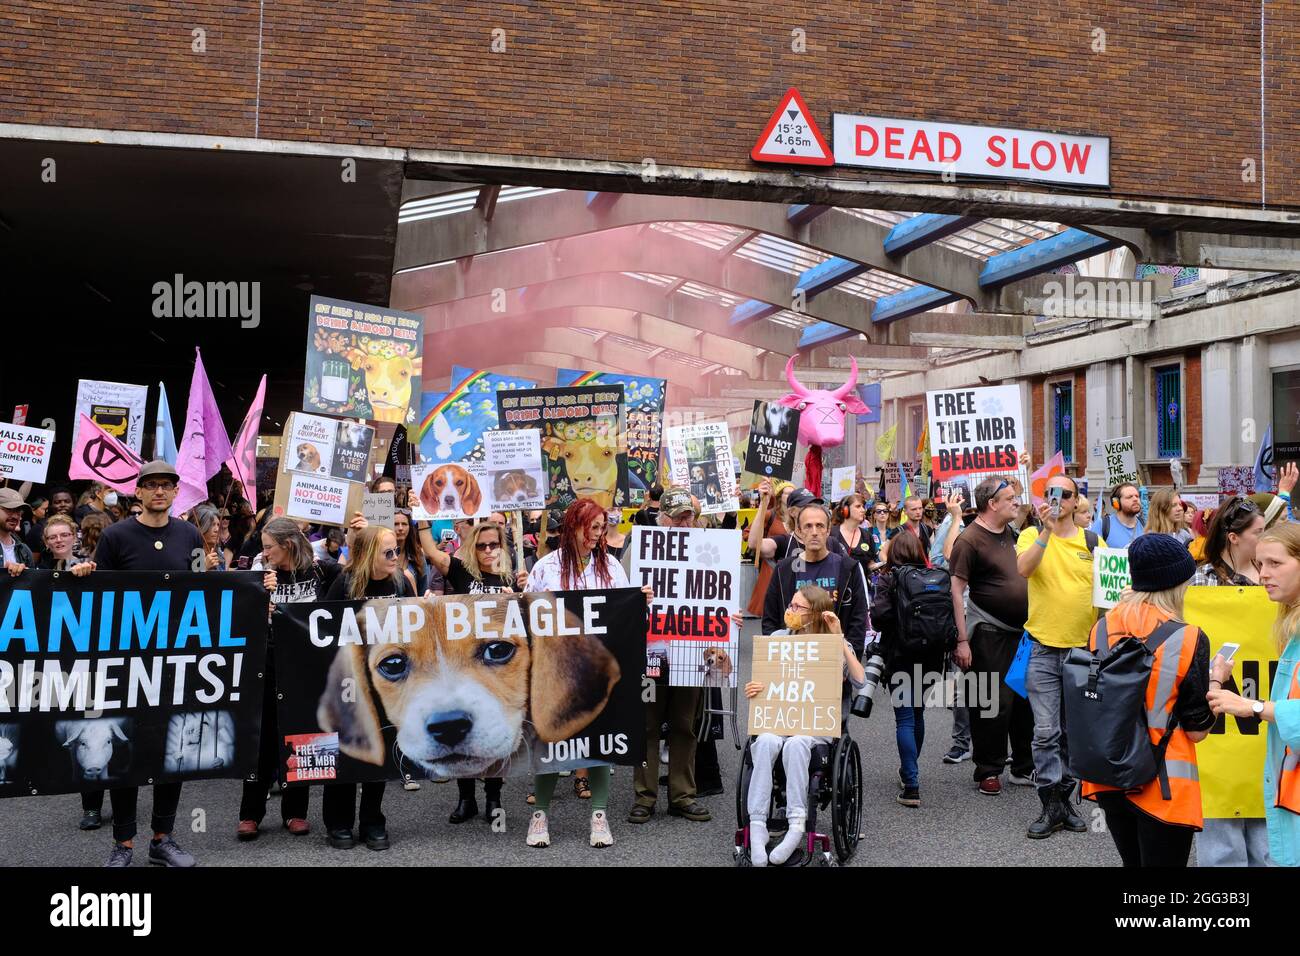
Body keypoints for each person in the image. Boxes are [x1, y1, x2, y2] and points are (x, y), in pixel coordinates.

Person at [92, 460, 207, 867]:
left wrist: (255, 585)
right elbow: (98, 597)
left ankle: (163, 839)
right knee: (126, 750)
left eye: (166, 485)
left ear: (176, 492)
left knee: (172, 749)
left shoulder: (190, 533)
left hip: (177, 661)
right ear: (137, 492)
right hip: (129, 662)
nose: (159, 492)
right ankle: (123, 843)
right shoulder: (114, 536)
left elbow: (204, 589)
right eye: (151, 485)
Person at [1077, 535, 1213, 865]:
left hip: (1109, 773)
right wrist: (1218, 678)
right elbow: (1197, 730)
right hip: (1163, 782)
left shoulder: (1102, 628)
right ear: (1175, 583)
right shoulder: (1189, 636)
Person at [525, 498, 648, 849]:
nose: (597, 534)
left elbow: (625, 612)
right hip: (555, 670)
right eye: (591, 527)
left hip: (597, 669)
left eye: (601, 527)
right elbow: (529, 614)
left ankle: (598, 814)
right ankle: (540, 815)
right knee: (551, 743)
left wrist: (640, 601)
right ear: (573, 526)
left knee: (598, 743)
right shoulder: (546, 568)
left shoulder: (610, 566)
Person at [743, 586, 865, 865]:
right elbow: (766, 681)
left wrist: (839, 639)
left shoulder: (831, 642)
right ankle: (758, 825)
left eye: (798, 608)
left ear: (815, 615)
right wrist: (754, 688)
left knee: (797, 744)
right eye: (791, 605)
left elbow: (859, 680)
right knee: (764, 742)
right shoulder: (778, 638)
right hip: (780, 719)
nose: (790, 611)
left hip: (814, 726)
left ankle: (796, 824)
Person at [238, 517, 341, 840]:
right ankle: (250, 814)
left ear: (289, 545)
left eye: (270, 547)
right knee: (264, 739)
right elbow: (238, 612)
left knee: (303, 736)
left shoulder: (323, 571)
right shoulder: (260, 572)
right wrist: (258, 599)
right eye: (263, 547)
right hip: (268, 663)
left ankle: (296, 812)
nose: (265, 553)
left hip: (307, 666)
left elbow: (352, 585)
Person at [424, 519, 526, 824]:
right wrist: (421, 516)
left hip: (495, 668)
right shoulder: (461, 570)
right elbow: (430, 551)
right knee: (463, 734)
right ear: (473, 547)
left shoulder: (511, 575)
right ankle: (466, 798)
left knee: (491, 731)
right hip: (462, 665)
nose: (487, 550)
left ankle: (493, 798)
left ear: (502, 546)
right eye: (481, 545)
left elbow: (527, 619)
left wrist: (517, 594)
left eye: (493, 544)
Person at [1209, 523, 1300, 866]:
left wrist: (1254, 706)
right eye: (1260, 564)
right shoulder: (1290, 625)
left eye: (1275, 564)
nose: (1263, 574)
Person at [1016, 473, 1100, 840]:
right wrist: (1046, 531)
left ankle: (1064, 799)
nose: (1059, 499)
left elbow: (1110, 592)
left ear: (1076, 499)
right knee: (1045, 731)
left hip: (1082, 651)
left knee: (1072, 732)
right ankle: (1050, 802)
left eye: (1066, 494)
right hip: (1043, 648)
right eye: (1053, 494)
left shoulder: (1093, 541)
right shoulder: (1032, 536)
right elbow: (1024, 569)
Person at [319, 524, 411, 851]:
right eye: (388, 552)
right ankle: (338, 822)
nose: (395, 557)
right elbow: (320, 625)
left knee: (378, 756)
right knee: (345, 749)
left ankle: (373, 820)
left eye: (397, 550)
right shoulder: (344, 583)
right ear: (370, 553)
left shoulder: (401, 583)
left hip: (388, 683)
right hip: (348, 680)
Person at [629, 487, 712, 827]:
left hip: (690, 651)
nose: (683, 521)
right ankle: (644, 797)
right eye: (676, 516)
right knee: (647, 725)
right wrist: (638, 595)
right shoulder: (640, 549)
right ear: (661, 517)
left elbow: (719, 592)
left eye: (688, 516)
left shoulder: (707, 546)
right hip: (651, 652)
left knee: (684, 725)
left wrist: (731, 619)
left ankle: (682, 795)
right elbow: (620, 597)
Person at [949, 475, 1035, 795]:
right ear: (992, 504)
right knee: (991, 703)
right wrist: (962, 640)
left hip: (1022, 634)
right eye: (1010, 497)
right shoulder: (969, 539)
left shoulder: (1012, 533)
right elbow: (956, 592)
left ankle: (1024, 766)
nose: (1016, 501)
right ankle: (988, 768)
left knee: (1023, 702)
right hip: (988, 632)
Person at [871, 531, 951, 807]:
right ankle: (909, 770)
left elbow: (879, 617)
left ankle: (911, 783)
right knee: (918, 714)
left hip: (900, 654)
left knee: (904, 717)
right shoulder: (936, 577)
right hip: (931, 655)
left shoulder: (889, 578)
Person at [761, 500, 869, 654]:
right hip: (793, 658)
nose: (814, 532)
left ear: (828, 529)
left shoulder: (847, 567)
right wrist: (778, 657)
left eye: (820, 526)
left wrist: (851, 659)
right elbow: (770, 619)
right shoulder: (784, 569)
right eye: (808, 526)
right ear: (799, 531)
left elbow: (858, 619)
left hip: (835, 657)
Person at [749, 480, 848, 562]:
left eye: (814, 505)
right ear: (792, 512)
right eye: (805, 506)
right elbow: (754, 544)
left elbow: (848, 571)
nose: (811, 510)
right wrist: (763, 504)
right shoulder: (785, 542)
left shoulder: (831, 542)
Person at [1191, 496, 1264, 586]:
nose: (1265, 538)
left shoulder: (1269, 570)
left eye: (1265, 531)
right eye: (1258, 532)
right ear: (1233, 538)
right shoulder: (1205, 578)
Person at [832, 493, 877, 579]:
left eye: (863, 506)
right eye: (858, 506)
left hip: (860, 587)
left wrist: (882, 565)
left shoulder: (867, 536)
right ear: (845, 510)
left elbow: (870, 564)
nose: (863, 510)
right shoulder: (831, 534)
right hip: (837, 586)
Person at [1092, 481, 1144, 548]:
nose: (1135, 499)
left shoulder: (1146, 525)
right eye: (1129, 497)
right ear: (1116, 503)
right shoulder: (1101, 525)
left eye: (1137, 496)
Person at [392, 508, 428, 595]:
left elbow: (423, 592)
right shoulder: (379, 556)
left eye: (404, 524)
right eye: (396, 524)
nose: (400, 528)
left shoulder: (417, 555)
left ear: (410, 527)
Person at [0, 488, 35, 571]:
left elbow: (32, 582)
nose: (15, 516)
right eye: (9, 509)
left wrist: (25, 577)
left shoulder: (25, 550)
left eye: (18, 511)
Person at [191, 503, 227, 570]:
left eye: (218, 525)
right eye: (212, 525)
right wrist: (204, 567)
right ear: (201, 527)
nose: (216, 530)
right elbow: (188, 580)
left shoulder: (219, 554)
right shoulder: (191, 554)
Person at [866, 499, 891, 570]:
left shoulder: (893, 533)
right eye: (879, 511)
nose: (882, 513)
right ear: (874, 515)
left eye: (885, 511)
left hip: (890, 570)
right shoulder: (867, 532)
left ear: (888, 514)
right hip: (873, 571)